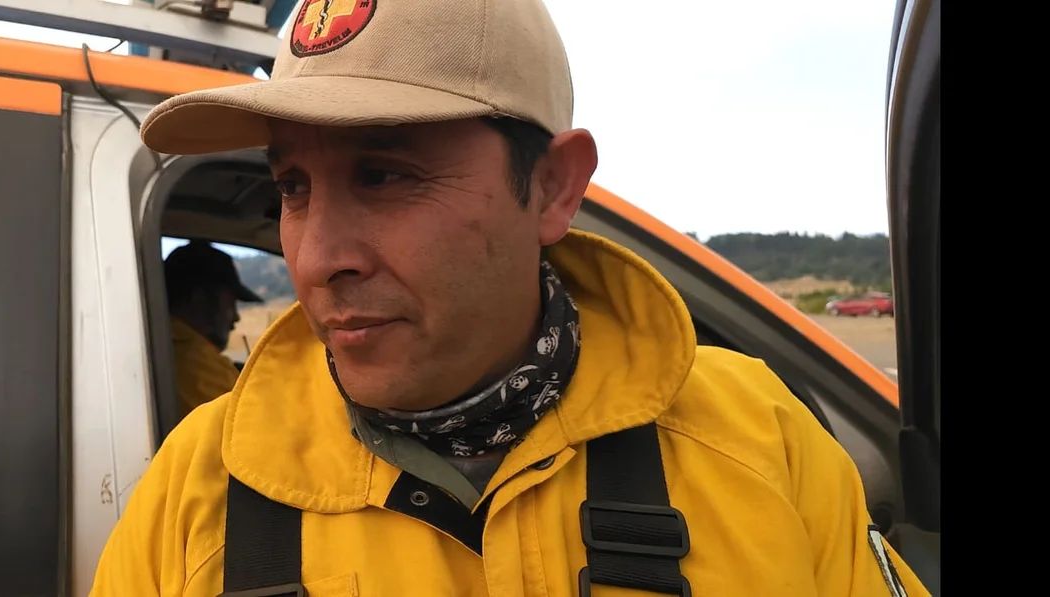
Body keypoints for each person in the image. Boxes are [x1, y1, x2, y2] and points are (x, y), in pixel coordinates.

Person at [91, 0, 929, 595]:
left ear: (555, 186)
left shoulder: (759, 439)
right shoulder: (194, 491)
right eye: (294, 186)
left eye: (383, 175)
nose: (315, 260)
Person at [163, 242, 262, 419]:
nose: (236, 318)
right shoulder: (199, 364)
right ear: (200, 302)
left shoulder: (161, 347)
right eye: (230, 305)